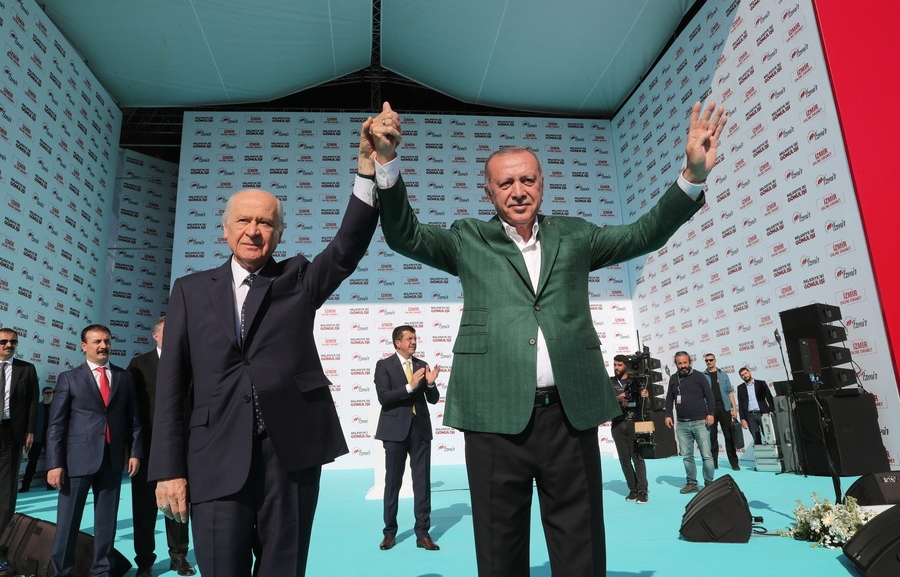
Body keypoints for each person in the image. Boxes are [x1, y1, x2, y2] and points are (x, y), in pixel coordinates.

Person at [374, 100, 727, 576]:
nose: (518, 191)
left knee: (581, 545)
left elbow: (643, 234)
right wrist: (387, 162)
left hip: (568, 416)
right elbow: (404, 235)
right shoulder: (466, 239)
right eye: (506, 183)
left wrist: (692, 176)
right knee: (499, 550)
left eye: (528, 180)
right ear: (488, 191)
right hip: (493, 418)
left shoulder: (575, 235)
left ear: (542, 183)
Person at [149, 103, 396, 576]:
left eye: (264, 223)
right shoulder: (190, 291)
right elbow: (171, 388)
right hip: (214, 455)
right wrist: (169, 469)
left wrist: (368, 168)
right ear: (225, 229)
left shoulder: (297, 279)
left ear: (279, 232)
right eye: (243, 221)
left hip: (290, 456)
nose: (253, 231)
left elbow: (347, 247)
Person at [46, 324, 142, 577]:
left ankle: (102, 571)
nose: (103, 346)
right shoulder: (69, 378)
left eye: (107, 341)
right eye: (97, 341)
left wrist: (135, 452)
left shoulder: (124, 377)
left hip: (112, 460)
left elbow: (133, 419)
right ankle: (61, 572)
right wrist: (54, 463)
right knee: (67, 523)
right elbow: (56, 424)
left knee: (107, 522)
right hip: (76, 461)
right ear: (84, 346)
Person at [127, 316, 195, 577]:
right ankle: (145, 561)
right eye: (168, 332)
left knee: (178, 505)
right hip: (147, 449)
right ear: (155, 336)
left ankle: (179, 556)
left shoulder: (191, 361)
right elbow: (131, 409)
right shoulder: (139, 364)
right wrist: (132, 449)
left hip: (181, 447)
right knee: (144, 508)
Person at [374, 325, 441, 551]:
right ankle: (389, 533)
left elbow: (433, 399)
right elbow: (384, 397)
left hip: (420, 430)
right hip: (394, 432)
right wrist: (410, 387)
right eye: (409, 338)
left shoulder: (422, 365)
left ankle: (423, 533)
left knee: (422, 482)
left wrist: (430, 383)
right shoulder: (384, 366)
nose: (413, 342)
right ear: (398, 343)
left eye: (415, 338)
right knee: (393, 482)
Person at [0, 328, 38, 536]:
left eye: (13, 342)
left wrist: (30, 430)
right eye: (3, 341)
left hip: (11, 434)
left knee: (7, 489)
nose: (9, 345)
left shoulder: (26, 369)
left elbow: (32, 402)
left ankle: (3, 537)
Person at [665, 351, 715, 494]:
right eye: (680, 363)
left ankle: (709, 484)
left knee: (706, 455)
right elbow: (669, 398)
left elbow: (709, 396)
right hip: (682, 424)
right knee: (687, 457)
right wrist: (668, 415)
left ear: (690, 362)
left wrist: (710, 414)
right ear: (676, 364)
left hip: (700, 422)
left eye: (685, 362)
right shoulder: (673, 378)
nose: (683, 366)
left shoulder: (699, 376)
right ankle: (691, 483)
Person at [609, 355, 649, 504]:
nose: (616, 368)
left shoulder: (635, 381)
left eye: (619, 365)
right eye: (615, 364)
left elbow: (647, 405)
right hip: (617, 424)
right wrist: (617, 399)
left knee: (637, 458)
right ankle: (633, 490)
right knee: (624, 460)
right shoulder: (610, 382)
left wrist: (645, 396)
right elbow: (605, 403)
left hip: (634, 422)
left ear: (626, 365)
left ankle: (643, 491)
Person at [702, 353, 740, 470]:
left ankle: (734, 463)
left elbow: (730, 392)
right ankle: (713, 463)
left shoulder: (723, 375)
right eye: (707, 360)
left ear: (715, 361)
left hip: (724, 408)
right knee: (712, 437)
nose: (709, 362)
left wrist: (734, 408)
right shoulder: (702, 376)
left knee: (729, 436)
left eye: (711, 360)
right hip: (710, 410)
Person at [19, 387, 54, 492]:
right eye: (47, 393)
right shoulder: (37, 407)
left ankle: (50, 485)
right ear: (42, 394)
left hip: (51, 439)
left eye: (51, 393)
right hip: (37, 438)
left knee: (51, 463)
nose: (49, 395)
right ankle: (25, 486)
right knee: (32, 463)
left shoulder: (56, 408)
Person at [737, 367, 775, 446]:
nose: (745, 376)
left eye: (745, 373)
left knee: (769, 436)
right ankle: (760, 453)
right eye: (742, 375)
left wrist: (770, 411)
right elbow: (741, 404)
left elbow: (769, 398)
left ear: (750, 372)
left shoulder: (761, 383)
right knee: (756, 439)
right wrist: (742, 419)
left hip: (763, 414)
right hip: (750, 416)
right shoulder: (740, 388)